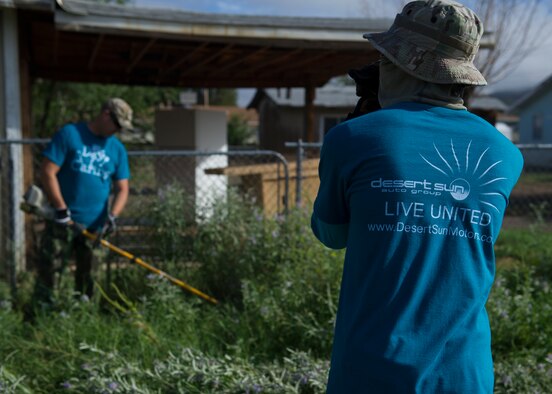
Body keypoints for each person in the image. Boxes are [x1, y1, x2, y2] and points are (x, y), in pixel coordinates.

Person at [311, 1, 523, 393]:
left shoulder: (352, 138)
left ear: (397, 65)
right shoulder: (505, 153)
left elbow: (332, 234)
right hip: (465, 375)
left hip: (372, 371)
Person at [33, 98, 132, 305]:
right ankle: (43, 314)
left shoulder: (116, 149)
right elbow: (47, 172)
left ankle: (83, 314)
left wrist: (112, 216)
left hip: (94, 228)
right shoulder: (70, 134)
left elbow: (122, 189)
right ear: (106, 114)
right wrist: (61, 210)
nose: (117, 131)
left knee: (90, 279)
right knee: (51, 272)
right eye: (116, 125)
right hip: (62, 222)